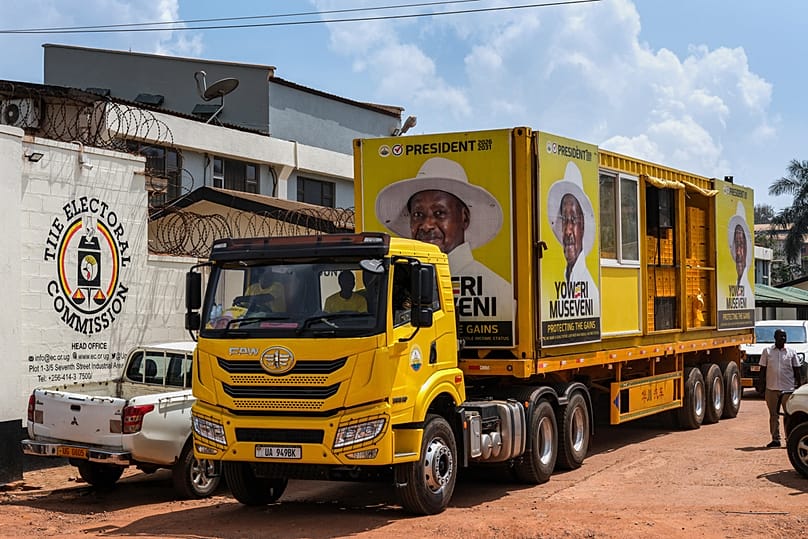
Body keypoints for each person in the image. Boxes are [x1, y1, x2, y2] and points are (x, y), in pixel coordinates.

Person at [374, 157, 512, 322]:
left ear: (464, 219)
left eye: (439, 213)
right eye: (418, 214)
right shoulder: (394, 282)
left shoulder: (499, 291)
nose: (426, 226)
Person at [546, 161, 599, 312]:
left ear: (583, 226)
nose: (568, 231)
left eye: (574, 220)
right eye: (564, 219)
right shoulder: (566, 281)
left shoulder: (591, 291)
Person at [759, 328, 802, 448]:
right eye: (780, 336)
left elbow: (797, 370)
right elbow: (762, 370)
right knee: (773, 415)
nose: (783, 338)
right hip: (771, 389)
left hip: (787, 389)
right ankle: (775, 439)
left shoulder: (791, 352)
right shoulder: (767, 351)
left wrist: (798, 386)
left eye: (784, 336)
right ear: (775, 338)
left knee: (789, 416)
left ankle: (790, 439)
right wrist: (761, 386)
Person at [728, 202, 752, 295]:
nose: (738, 252)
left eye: (741, 245)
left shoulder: (749, 292)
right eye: (736, 244)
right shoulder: (729, 279)